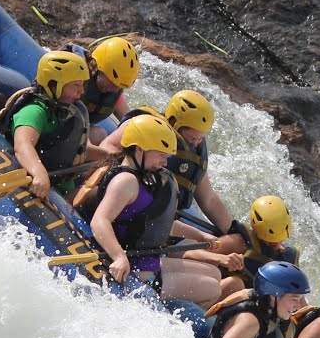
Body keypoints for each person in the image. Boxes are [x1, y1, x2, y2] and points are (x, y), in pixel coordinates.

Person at [82, 113, 226, 306]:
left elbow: (156, 223)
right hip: (137, 271)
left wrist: (201, 236)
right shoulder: (125, 182)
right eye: (160, 155)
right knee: (213, 288)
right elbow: (100, 221)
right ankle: (162, 307)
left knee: (214, 273)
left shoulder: (146, 177)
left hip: (147, 260)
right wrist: (118, 256)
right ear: (139, 150)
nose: (165, 162)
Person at [101, 89, 235, 234]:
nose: (196, 144)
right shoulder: (146, 126)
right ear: (175, 124)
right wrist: (134, 172)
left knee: (221, 240)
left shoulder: (193, 151)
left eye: (200, 139)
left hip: (169, 208)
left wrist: (232, 230)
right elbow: (106, 148)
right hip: (134, 199)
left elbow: (209, 199)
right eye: (192, 138)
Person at [0, 50, 107, 200]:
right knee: (99, 195)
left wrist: (108, 157)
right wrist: (39, 172)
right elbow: (23, 146)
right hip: (43, 186)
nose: (81, 91)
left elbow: (74, 150)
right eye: (76, 85)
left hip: (63, 187)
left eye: (82, 84)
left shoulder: (69, 110)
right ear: (54, 84)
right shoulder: (34, 111)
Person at [209, 194, 299, 297]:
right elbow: (197, 253)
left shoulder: (289, 258)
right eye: (270, 241)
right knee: (234, 283)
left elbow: (297, 295)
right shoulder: (240, 242)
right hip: (229, 295)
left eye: (279, 240)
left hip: (258, 305)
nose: (276, 244)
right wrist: (221, 258)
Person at [79, 36, 139, 142]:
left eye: (120, 86)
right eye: (113, 82)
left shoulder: (113, 90)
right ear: (97, 68)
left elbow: (129, 122)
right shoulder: (76, 78)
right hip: (54, 126)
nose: (116, 89)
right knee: (99, 135)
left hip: (78, 128)